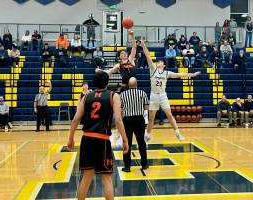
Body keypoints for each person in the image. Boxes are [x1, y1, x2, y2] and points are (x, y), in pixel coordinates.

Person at [67, 71, 129, 200]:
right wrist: (125, 139)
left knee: (87, 176)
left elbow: (75, 119)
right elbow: (118, 120)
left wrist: (70, 138)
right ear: (107, 82)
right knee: (107, 177)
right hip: (102, 140)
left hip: (87, 138)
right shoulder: (113, 96)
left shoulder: (86, 97)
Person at [141, 37, 200, 142]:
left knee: (169, 115)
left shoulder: (167, 73)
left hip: (163, 95)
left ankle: (178, 133)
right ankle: (148, 134)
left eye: (160, 62)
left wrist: (192, 74)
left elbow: (179, 74)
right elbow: (147, 55)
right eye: (158, 62)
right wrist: (143, 44)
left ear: (163, 65)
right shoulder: (153, 70)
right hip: (153, 95)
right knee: (151, 118)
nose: (158, 63)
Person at [120, 77, 149, 172]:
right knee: (141, 142)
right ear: (137, 84)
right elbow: (146, 107)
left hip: (127, 120)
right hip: (139, 119)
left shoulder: (123, 94)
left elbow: (120, 109)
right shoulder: (142, 93)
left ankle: (127, 166)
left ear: (128, 85)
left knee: (127, 142)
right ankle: (144, 164)